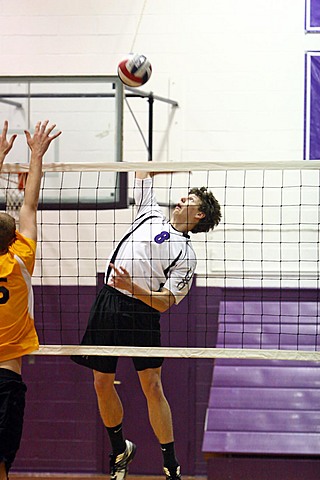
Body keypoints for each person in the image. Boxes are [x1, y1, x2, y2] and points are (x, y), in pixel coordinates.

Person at [71, 170, 221, 480]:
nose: (180, 200)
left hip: (142, 313)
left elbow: (165, 302)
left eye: (189, 199)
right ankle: (120, 450)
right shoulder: (149, 213)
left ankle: (171, 465)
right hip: (109, 302)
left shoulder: (186, 255)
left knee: (152, 386)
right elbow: (142, 172)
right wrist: (166, 166)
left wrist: (133, 286)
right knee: (101, 382)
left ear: (200, 214)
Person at [0, 120, 61, 479]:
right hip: (7, 379)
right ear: (12, 238)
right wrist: (36, 155)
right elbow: (31, 204)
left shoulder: (21, 254)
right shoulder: (22, 257)